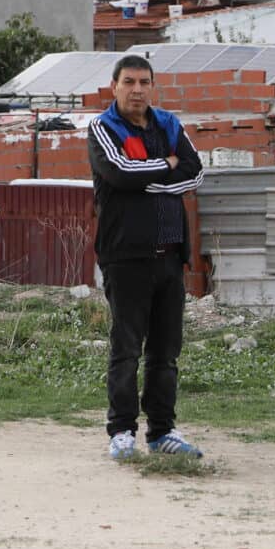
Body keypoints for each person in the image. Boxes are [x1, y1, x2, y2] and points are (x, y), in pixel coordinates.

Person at [88, 53, 205, 461]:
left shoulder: (169, 125)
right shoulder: (103, 127)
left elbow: (195, 171)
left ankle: (162, 432)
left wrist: (150, 179)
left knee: (165, 353)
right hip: (125, 257)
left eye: (144, 82)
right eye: (129, 82)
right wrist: (165, 170)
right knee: (126, 348)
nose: (137, 89)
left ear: (152, 87)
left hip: (170, 256)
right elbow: (119, 172)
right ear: (114, 86)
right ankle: (121, 431)